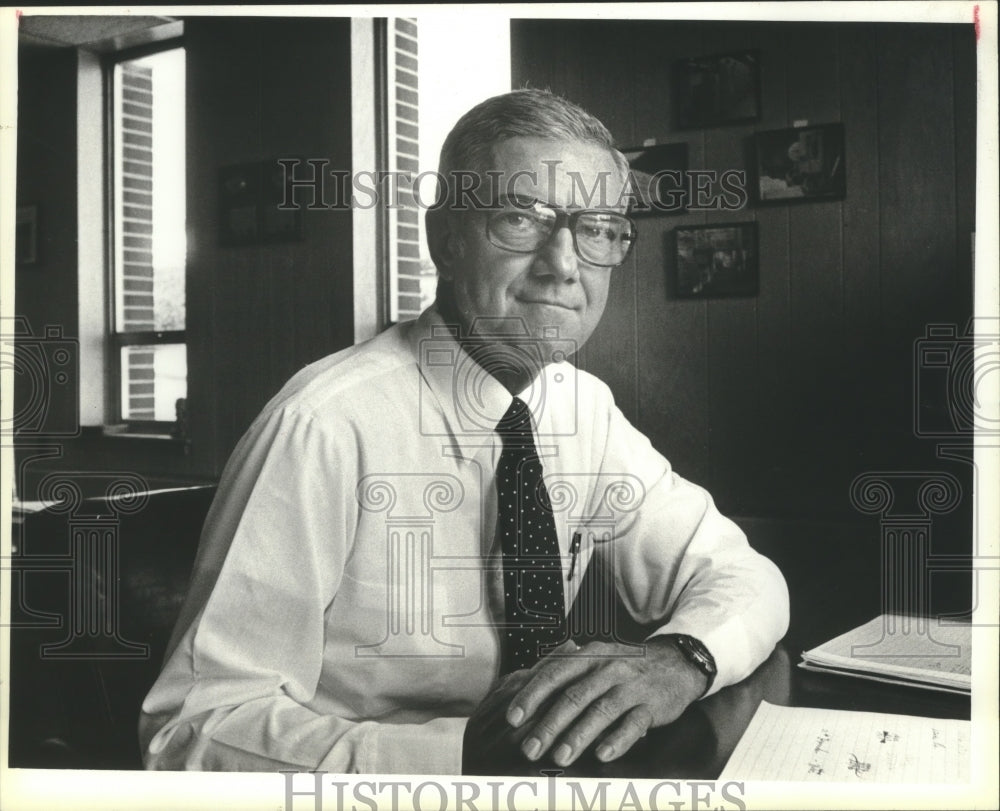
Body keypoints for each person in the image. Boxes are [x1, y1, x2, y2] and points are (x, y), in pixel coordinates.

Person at [139, 89, 789, 775]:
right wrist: (456, 757)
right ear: (443, 239)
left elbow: (744, 575)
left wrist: (679, 659)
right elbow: (190, 730)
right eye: (521, 218)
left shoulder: (581, 407)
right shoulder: (322, 427)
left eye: (598, 228)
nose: (565, 262)